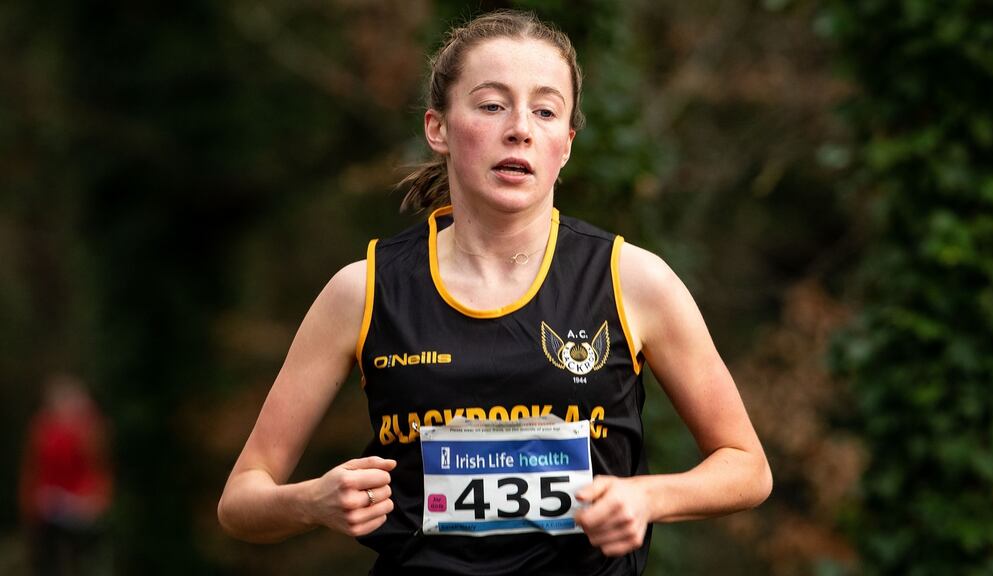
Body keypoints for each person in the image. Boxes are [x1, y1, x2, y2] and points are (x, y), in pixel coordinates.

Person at [218, 9, 771, 575]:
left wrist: (647, 497)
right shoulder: (363, 290)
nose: (521, 128)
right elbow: (241, 501)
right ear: (438, 128)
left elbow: (747, 466)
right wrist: (309, 502)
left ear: (567, 143)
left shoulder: (633, 279)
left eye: (546, 110)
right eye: (491, 105)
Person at [19, 373, 113, 576]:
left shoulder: (89, 429)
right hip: (50, 508)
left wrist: (93, 501)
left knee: (81, 554)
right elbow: (36, 472)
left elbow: (97, 473)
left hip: (82, 507)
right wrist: (35, 502)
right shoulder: (44, 429)